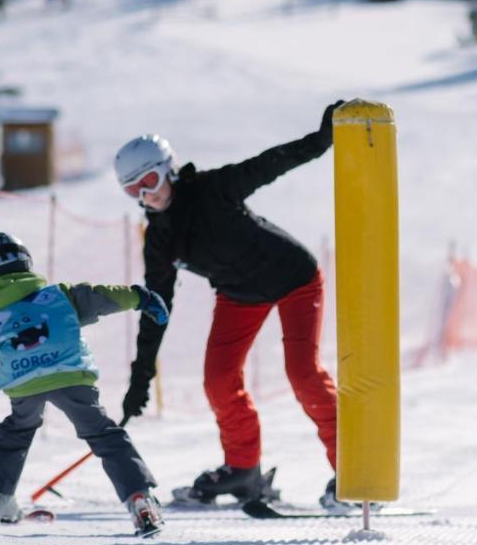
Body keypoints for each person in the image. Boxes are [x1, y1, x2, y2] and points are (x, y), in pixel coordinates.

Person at [114, 102, 343, 508]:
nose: (146, 196)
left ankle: (354, 468)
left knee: (304, 374)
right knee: (218, 381)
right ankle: (243, 471)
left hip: (294, 279)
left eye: (148, 181)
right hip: (238, 294)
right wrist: (140, 378)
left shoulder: (210, 190)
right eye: (134, 190)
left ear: (168, 169)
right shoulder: (159, 241)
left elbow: (267, 164)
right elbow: (156, 311)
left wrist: (321, 141)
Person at [0, 231, 172, 537]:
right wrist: (141, 297)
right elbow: (101, 296)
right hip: (71, 375)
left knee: (15, 432)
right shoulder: (58, 296)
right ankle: (139, 499)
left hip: (24, 386)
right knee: (103, 434)